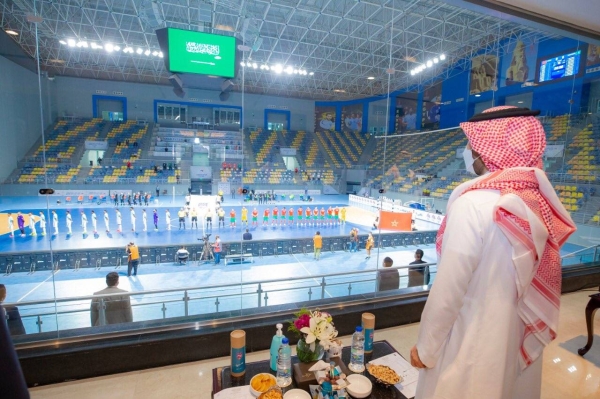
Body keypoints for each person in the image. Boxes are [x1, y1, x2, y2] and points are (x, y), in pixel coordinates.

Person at [410, 106, 576, 399]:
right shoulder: (534, 203)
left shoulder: (473, 205)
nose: (467, 151)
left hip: (470, 346)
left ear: (488, 148)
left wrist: (426, 349)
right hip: (513, 341)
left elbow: (448, 293)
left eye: (470, 144)